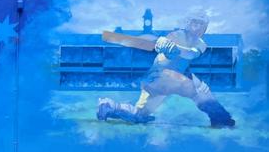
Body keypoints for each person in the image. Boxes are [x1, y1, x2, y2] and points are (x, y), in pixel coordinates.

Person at [97, 9, 235, 128]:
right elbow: (157, 42)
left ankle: (109, 106)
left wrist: (174, 49)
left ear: (205, 28)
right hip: (159, 78)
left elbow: (190, 54)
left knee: (138, 115)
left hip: (169, 80)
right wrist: (161, 43)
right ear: (188, 24)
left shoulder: (201, 44)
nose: (198, 27)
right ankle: (222, 120)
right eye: (195, 23)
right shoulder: (177, 35)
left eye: (201, 24)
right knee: (195, 89)